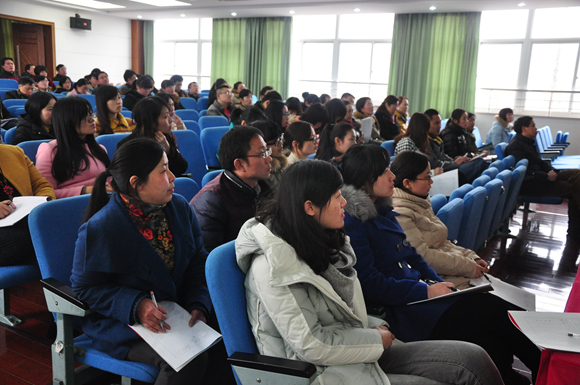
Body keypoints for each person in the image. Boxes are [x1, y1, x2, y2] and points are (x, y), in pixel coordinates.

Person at [236, 159, 504, 385]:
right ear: (309, 208)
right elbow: (310, 344)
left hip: (356, 351)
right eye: (337, 196)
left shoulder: (322, 241)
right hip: (319, 373)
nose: (344, 203)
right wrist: (374, 338)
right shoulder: (273, 264)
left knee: (472, 358)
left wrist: (375, 329)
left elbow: (341, 314)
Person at [340, 144, 541, 385]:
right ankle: (545, 369)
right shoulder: (353, 222)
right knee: (495, 314)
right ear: (365, 178)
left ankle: (525, 374)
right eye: (385, 171)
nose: (392, 176)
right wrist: (426, 290)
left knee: (494, 327)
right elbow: (370, 283)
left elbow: (413, 255)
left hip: (422, 296)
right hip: (402, 310)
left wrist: (435, 282)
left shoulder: (383, 209)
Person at [70, 138, 211, 385]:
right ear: (136, 184)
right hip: (124, 325)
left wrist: (198, 302)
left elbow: (198, 261)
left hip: (174, 314)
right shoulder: (101, 228)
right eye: (163, 171)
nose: (173, 177)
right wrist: (136, 305)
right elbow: (86, 289)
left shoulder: (178, 208)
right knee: (188, 361)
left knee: (226, 344)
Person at [391, 151, 489, 288]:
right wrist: (469, 266)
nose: (431, 182)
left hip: (450, 271)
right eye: (427, 177)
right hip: (435, 280)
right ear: (407, 183)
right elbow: (424, 257)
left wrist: (472, 257)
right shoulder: (400, 213)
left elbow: (442, 243)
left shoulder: (419, 202)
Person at [505, 116, 580, 270]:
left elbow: (540, 162)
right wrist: (546, 176)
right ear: (524, 129)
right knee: (573, 189)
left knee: (577, 175)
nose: (536, 129)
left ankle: (575, 230)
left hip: (543, 178)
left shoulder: (528, 143)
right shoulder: (516, 147)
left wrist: (551, 171)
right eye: (533, 126)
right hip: (534, 185)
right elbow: (522, 174)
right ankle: (574, 231)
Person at [190, 126, 272, 252]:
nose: (269, 159)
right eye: (262, 154)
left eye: (267, 151)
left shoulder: (263, 185)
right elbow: (209, 256)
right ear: (239, 165)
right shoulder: (211, 201)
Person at [36, 97, 112, 198]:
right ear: (68, 119)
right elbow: (46, 193)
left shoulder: (99, 149)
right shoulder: (49, 150)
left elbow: (109, 180)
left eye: (91, 114)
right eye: (85, 116)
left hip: (103, 199)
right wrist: (85, 190)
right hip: (71, 206)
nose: (92, 119)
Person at [0, 144, 55, 266]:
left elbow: (41, 185)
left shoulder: (14, 153)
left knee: (55, 230)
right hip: (9, 232)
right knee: (42, 237)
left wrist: (40, 205)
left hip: (26, 219)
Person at [118, 97, 188, 177]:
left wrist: (168, 150)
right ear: (150, 121)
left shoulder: (165, 138)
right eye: (165, 117)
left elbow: (182, 168)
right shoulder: (127, 146)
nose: (170, 120)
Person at [252, 120, 286, 194]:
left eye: (280, 138)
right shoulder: (261, 174)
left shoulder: (280, 164)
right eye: (276, 141)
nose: (281, 143)